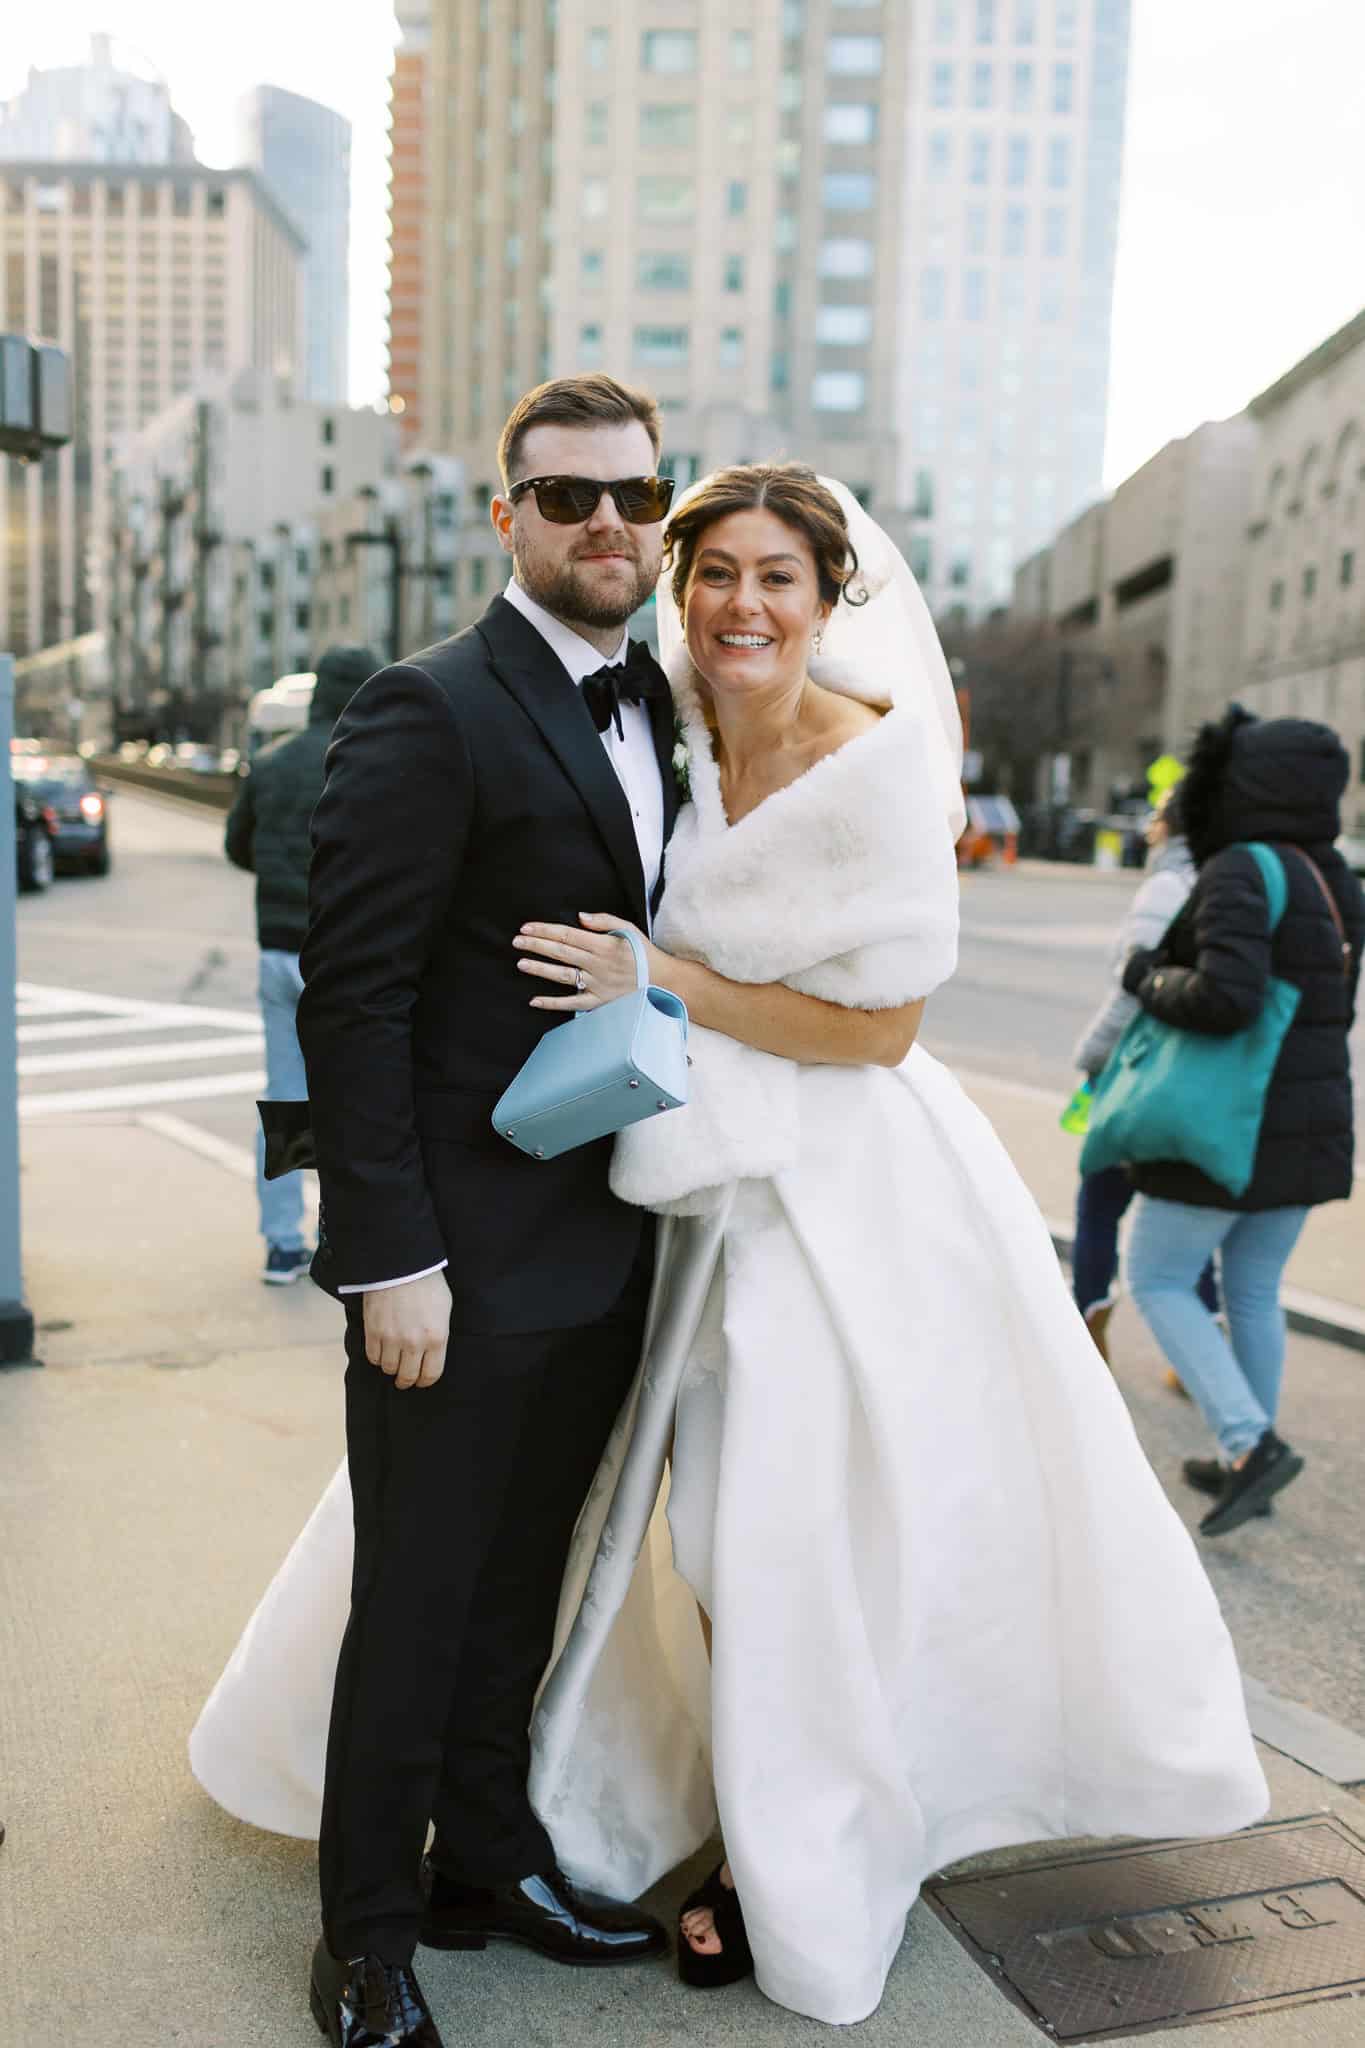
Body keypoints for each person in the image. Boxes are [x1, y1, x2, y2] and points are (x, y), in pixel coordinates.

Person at [192, 465, 1268, 2033]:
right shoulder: (655, 712)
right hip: (637, 1183)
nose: (743, 606)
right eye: (718, 574)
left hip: (827, 1194)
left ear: (835, 601)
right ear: (679, 585)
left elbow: (882, 1028)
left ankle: (788, 1851)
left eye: (780, 578)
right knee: (579, 1536)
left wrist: (667, 976)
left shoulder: (881, 762)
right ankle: (495, 1855)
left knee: (784, 1538)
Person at [199, 377, 686, 2048]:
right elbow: (358, 997)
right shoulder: (432, 707)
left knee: (518, 1581)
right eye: (567, 498)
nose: (605, 523)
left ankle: (490, 1858)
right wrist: (389, 1255)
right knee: (413, 1593)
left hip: (605, 1242)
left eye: (633, 494)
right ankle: (367, 1936)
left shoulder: (659, 711)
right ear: (508, 518)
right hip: (456, 1263)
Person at [1122, 706, 1363, 1538]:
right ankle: (1246, 1451)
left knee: (1153, 1274)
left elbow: (1227, 999)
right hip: (1309, 1116)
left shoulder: (1236, 870)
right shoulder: (1333, 875)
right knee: (1253, 1289)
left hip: (1230, 1124)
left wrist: (1146, 979)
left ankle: (1246, 1443)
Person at [224, 645, 377, 1286]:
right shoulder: (369, 766)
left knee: (287, 1099)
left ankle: (281, 1245)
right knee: (356, 1098)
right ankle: (338, 1236)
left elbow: (237, 846)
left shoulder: (272, 762)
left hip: (276, 950)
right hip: (342, 960)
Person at [1070, 786, 1218, 1368]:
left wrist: (1094, 1055)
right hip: (1191, 1076)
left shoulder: (1168, 883)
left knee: (1100, 1203)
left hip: (1139, 1076)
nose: (1150, 822)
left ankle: (1089, 1335)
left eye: (1157, 813)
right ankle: (1198, 1354)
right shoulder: (1225, 879)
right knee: (1187, 1219)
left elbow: (1136, 988)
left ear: (1171, 825)